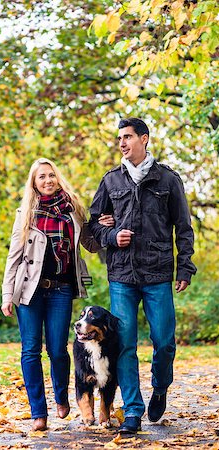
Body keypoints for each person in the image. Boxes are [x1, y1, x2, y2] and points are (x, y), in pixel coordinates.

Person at [89, 118, 197, 434]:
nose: (122, 143)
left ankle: (161, 385)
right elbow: (93, 227)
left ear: (144, 139)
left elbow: (184, 227)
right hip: (122, 275)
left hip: (158, 273)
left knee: (164, 342)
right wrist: (111, 237)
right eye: (119, 138)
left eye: (128, 137)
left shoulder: (168, 180)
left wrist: (185, 266)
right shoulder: (110, 181)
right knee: (124, 344)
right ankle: (133, 410)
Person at [1, 157, 113, 432]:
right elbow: (14, 256)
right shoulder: (25, 212)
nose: (48, 180)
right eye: (41, 177)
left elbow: (88, 242)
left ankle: (62, 397)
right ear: (34, 183)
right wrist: (7, 294)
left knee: (58, 350)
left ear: (57, 177)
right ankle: (39, 413)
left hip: (61, 288)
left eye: (51, 175)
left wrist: (104, 227)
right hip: (29, 290)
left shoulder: (73, 208)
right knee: (30, 351)